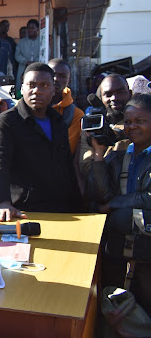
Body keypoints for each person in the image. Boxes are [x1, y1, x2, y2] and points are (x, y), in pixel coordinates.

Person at [0, 63, 81, 221]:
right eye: (31, 85)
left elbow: (67, 166)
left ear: (53, 90)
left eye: (44, 85)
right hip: (24, 210)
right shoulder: (7, 122)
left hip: (62, 209)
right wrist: (3, 203)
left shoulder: (59, 122)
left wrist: (79, 205)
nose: (37, 90)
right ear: (22, 88)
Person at [87, 94, 151, 312]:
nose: (132, 127)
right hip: (117, 250)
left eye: (140, 121)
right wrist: (98, 155)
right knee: (114, 311)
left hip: (146, 252)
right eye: (128, 122)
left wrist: (113, 205)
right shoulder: (118, 154)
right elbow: (100, 196)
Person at [79, 74, 132, 180]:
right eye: (108, 94)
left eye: (120, 92)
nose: (114, 98)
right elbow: (86, 167)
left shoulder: (140, 123)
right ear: (100, 98)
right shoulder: (92, 125)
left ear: (130, 94)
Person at [48, 58, 84, 154]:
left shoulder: (76, 115)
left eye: (62, 76)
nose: (56, 79)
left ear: (69, 81)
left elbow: (66, 150)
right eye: (53, 74)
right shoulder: (28, 107)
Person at [15, 19, 41, 87]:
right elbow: (17, 55)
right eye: (29, 28)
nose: (30, 30)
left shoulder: (42, 41)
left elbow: (44, 53)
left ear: (37, 29)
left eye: (32, 28)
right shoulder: (22, 42)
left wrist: (35, 62)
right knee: (21, 86)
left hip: (38, 67)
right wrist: (26, 62)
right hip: (23, 67)